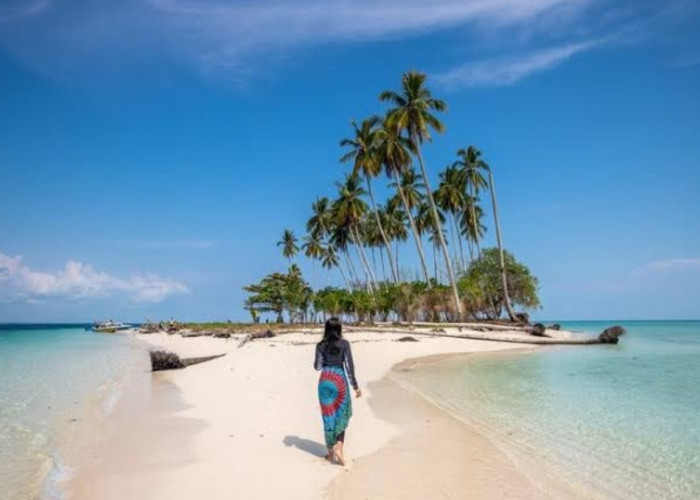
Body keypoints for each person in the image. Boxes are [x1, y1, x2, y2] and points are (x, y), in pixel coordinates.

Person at [314, 318, 361, 465]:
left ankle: (330, 452)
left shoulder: (320, 345)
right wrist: (355, 386)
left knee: (328, 415)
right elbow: (349, 367)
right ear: (339, 329)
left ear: (326, 329)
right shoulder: (344, 344)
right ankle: (339, 449)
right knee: (341, 414)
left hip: (325, 381)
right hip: (339, 380)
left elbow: (317, 366)